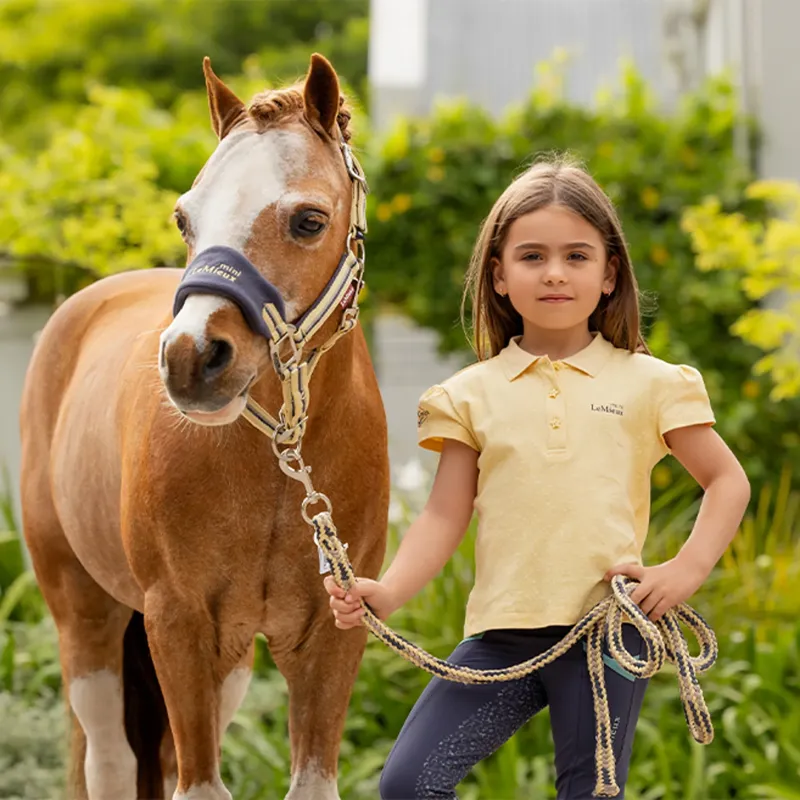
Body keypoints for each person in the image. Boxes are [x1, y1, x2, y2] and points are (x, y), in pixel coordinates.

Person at [325, 158, 751, 799]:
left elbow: (727, 481)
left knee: (590, 792)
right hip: (501, 636)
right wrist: (388, 591)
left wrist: (682, 571)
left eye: (577, 256)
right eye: (532, 256)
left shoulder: (653, 384)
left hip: (606, 629)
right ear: (498, 275)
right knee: (409, 783)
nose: (554, 272)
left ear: (609, 274)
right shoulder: (468, 396)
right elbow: (445, 514)